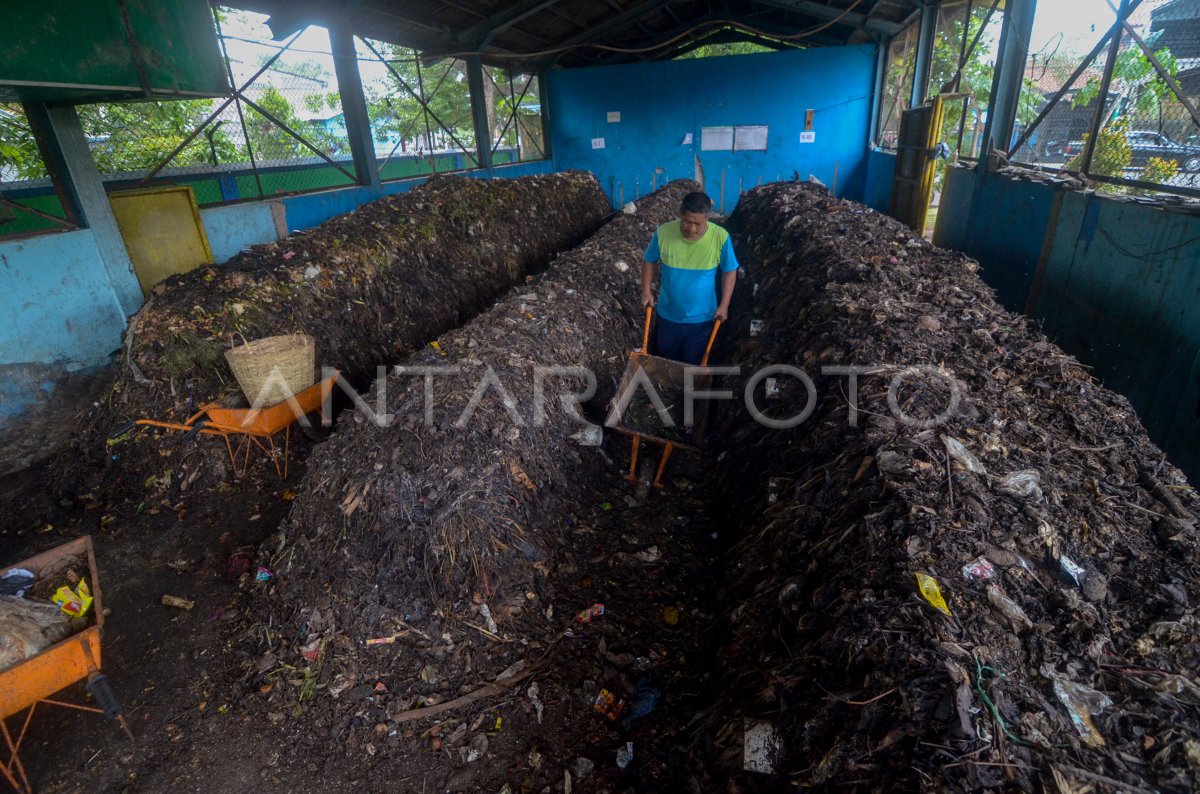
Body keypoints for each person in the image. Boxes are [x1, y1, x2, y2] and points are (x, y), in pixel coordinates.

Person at [641, 191, 739, 365]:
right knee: (666, 360)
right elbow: (649, 259)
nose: (692, 228)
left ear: (708, 217)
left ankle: (687, 392)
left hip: (702, 318)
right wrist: (646, 290)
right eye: (687, 221)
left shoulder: (720, 237)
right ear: (681, 213)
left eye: (698, 224)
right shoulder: (664, 233)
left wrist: (724, 305)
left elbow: (730, 270)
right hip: (668, 314)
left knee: (692, 362)